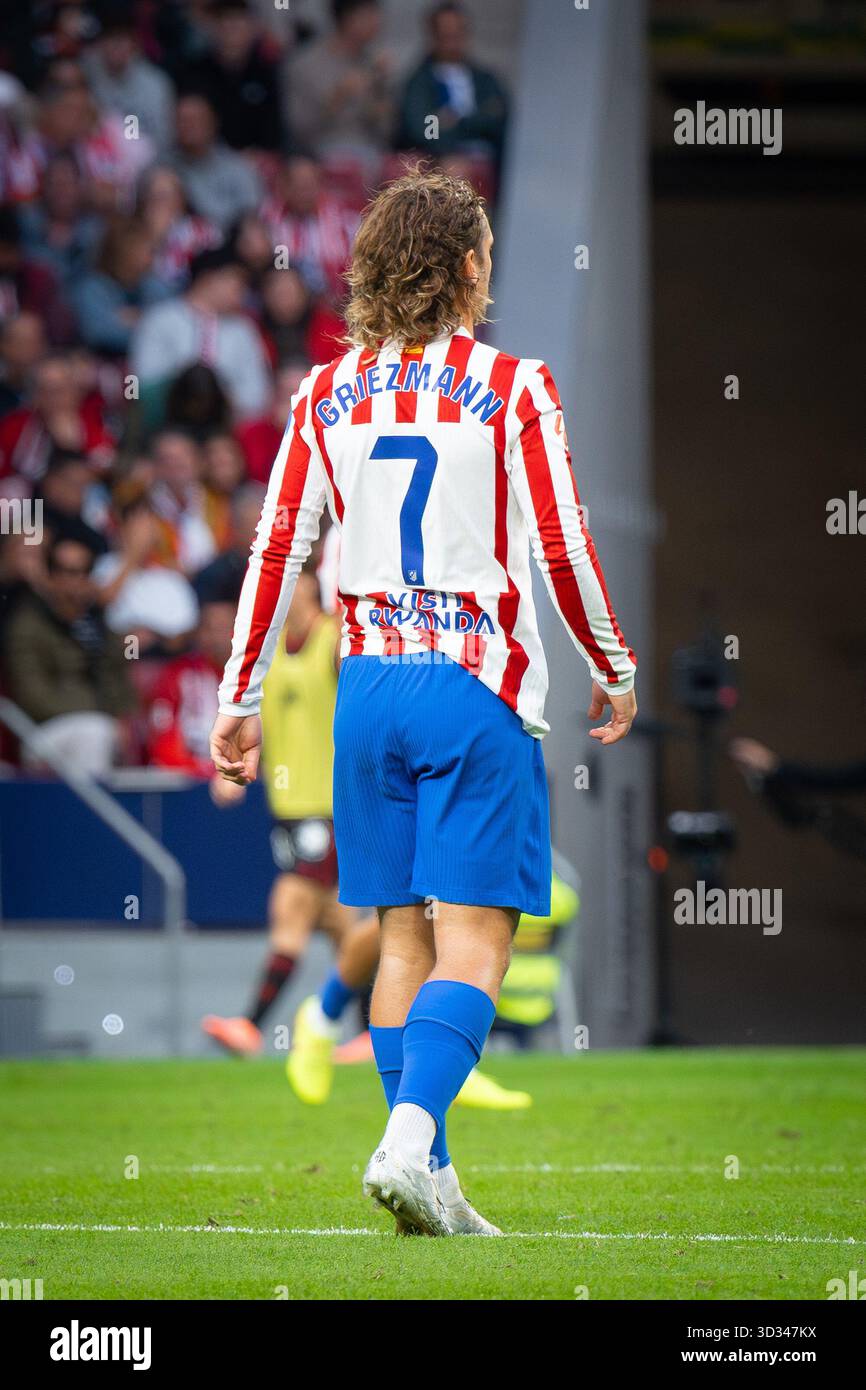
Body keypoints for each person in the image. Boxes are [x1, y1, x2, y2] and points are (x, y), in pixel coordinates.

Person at [210, 169, 637, 1237]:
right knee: (476, 943)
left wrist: (238, 693)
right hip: (470, 684)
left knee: (398, 937)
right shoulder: (513, 384)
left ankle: (430, 1179)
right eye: (482, 253)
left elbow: (275, 550)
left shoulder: (321, 393)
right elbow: (559, 543)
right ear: (465, 269)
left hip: (367, 694)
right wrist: (612, 664)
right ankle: (407, 1141)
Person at [203, 568, 357, 1056]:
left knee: (290, 906)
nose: (282, 593)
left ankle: (251, 1026)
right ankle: (381, 1031)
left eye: (293, 580)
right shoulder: (266, 653)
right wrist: (229, 768)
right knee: (341, 923)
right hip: (288, 813)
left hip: (329, 809)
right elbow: (260, 722)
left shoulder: (334, 639)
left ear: (313, 582)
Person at [2, 534, 134, 774]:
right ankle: (89, 813)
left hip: (102, 726)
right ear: (50, 575)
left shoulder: (100, 624)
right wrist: (100, 714)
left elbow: (119, 681)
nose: (74, 581)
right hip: (43, 731)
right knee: (95, 733)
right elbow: (33, 697)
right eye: (65, 571)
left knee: (115, 735)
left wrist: (122, 717)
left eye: (82, 572)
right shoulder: (28, 624)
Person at [130, 245, 270, 420]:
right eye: (238, 282)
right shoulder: (160, 320)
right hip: (168, 421)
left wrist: (220, 400)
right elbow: (145, 382)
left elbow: (257, 394)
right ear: (209, 279)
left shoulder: (243, 330)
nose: (242, 292)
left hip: (227, 426)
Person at [397, 2, 508, 168]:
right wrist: (449, 145)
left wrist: (457, 122)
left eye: (458, 34)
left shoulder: (485, 80)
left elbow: (496, 116)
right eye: (446, 36)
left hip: (482, 159)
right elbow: (423, 129)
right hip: (439, 159)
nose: (453, 43)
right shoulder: (419, 82)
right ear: (433, 37)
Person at [288, 0, 392, 173]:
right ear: (347, 19)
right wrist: (339, 96)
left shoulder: (373, 62)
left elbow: (387, 132)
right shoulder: (305, 64)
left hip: (371, 149)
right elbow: (299, 130)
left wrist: (379, 95)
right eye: (368, 15)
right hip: (322, 150)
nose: (377, 22)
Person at [168, 92, 263, 232]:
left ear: (213, 122)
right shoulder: (163, 169)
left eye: (196, 119)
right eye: (183, 120)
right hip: (177, 246)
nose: (189, 126)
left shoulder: (238, 167)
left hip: (231, 245)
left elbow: (252, 215)